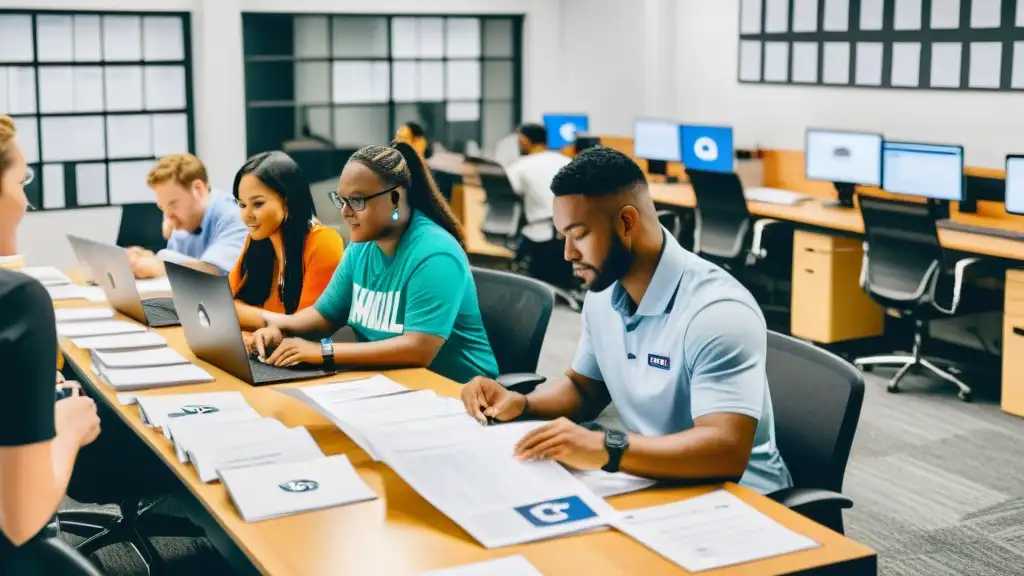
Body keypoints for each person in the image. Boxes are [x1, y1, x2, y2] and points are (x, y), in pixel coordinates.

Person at [460, 147, 792, 494]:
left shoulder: (717, 312)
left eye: (580, 235)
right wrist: (522, 403)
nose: (568, 254)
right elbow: (583, 389)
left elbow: (725, 453)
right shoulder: (604, 292)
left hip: (742, 498)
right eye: (564, 237)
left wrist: (609, 448)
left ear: (627, 222)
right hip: (654, 478)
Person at [247, 142, 498, 384]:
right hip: (389, 384)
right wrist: (279, 328)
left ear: (395, 198)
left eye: (356, 201)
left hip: (458, 392)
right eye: (341, 200)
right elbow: (323, 317)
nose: (345, 212)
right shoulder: (362, 246)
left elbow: (419, 349)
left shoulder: (436, 254)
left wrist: (323, 351)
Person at [0, 115, 102, 571]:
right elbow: (19, 518)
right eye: (21, 181)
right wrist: (67, 428)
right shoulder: (18, 302)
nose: (25, 201)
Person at [230, 151, 344, 331]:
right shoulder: (255, 240)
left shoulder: (323, 242)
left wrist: (243, 315)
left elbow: (308, 326)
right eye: (242, 205)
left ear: (288, 201)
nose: (246, 216)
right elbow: (225, 306)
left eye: (257, 204)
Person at [127, 153, 249, 279]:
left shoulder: (234, 216)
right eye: (163, 208)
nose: (168, 217)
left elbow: (214, 273)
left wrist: (160, 267)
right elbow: (182, 263)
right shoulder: (184, 221)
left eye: (173, 204)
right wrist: (149, 259)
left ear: (198, 189)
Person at [506, 123, 573, 289]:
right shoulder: (568, 161)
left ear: (524, 141)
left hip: (540, 238)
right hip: (572, 233)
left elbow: (509, 195)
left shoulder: (519, 167)